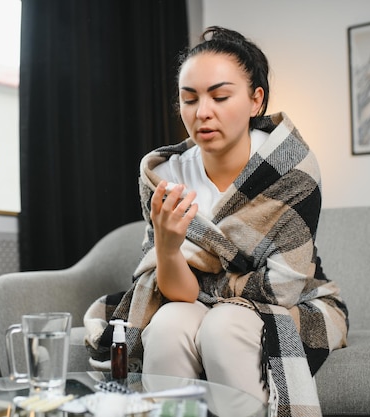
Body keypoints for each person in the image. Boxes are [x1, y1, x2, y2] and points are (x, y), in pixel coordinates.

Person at [85, 26, 348, 416]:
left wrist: (207, 286)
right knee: (170, 323)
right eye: (188, 99)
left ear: (255, 100)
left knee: (223, 326)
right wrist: (168, 247)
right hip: (201, 301)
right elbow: (175, 294)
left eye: (220, 96)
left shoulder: (293, 172)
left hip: (293, 302)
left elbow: (281, 290)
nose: (202, 112)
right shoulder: (164, 176)